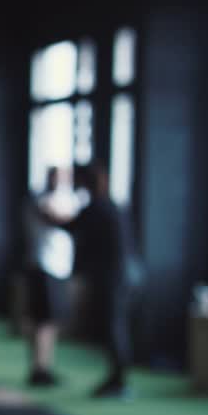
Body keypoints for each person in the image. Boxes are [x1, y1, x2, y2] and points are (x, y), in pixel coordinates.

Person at [69, 164, 140, 399]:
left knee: (113, 327)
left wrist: (42, 215)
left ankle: (119, 381)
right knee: (115, 326)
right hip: (121, 276)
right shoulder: (111, 207)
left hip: (112, 278)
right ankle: (116, 378)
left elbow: (71, 226)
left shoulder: (98, 208)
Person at [22, 165, 86, 387]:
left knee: (50, 319)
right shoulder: (40, 199)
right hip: (44, 266)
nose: (60, 180)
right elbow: (59, 219)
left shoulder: (66, 198)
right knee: (43, 319)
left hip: (58, 267)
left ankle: (45, 366)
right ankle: (39, 368)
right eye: (57, 176)